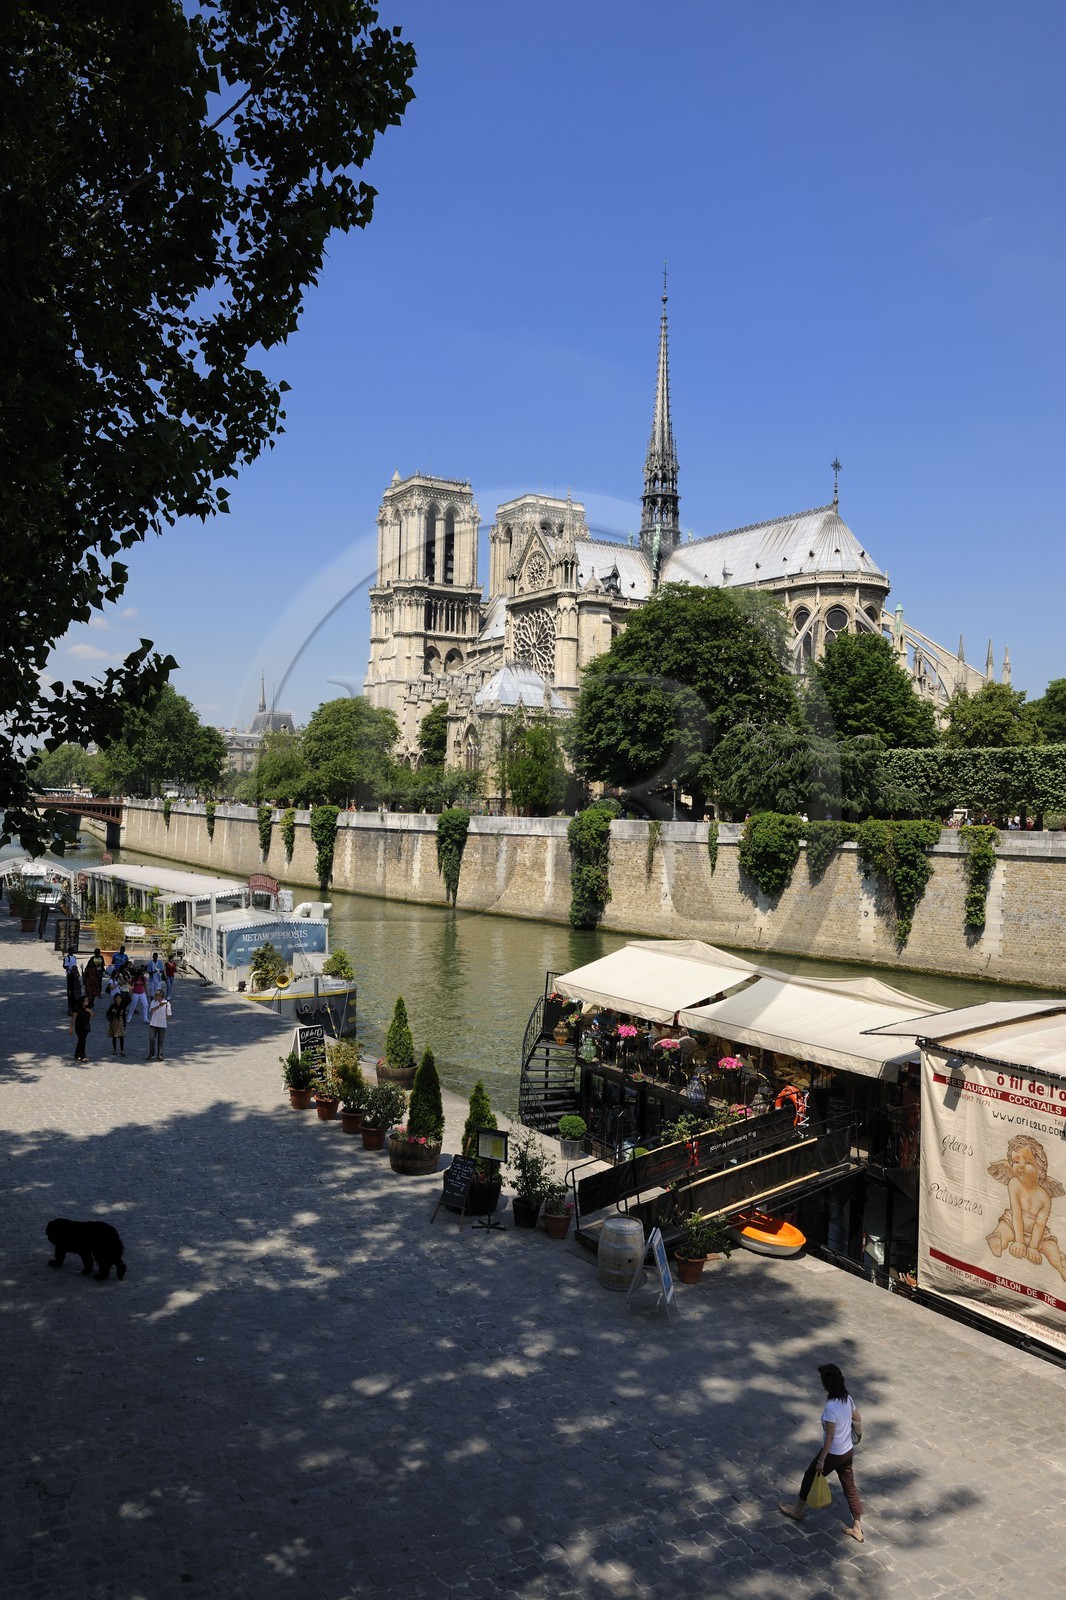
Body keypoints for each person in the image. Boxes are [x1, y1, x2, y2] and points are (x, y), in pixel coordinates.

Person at [779, 1363, 864, 1543]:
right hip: (848, 1451)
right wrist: (858, 1435)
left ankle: (797, 1509)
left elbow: (830, 1438)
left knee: (810, 1476)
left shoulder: (830, 1408)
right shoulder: (847, 1399)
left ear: (826, 1384)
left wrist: (821, 1461)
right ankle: (857, 1528)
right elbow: (857, 1418)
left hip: (834, 1453)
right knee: (850, 1488)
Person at [147, 990, 171, 1061]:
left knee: (161, 1040)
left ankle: (160, 1054)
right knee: (151, 1038)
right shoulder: (153, 1002)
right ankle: (151, 1053)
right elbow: (152, 1011)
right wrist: (159, 1006)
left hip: (162, 1024)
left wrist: (165, 1019)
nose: (155, 996)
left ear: (161, 996)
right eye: (155, 994)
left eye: (157, 995)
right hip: (153, 1023)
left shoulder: (167, 1003)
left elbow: (169, 1014)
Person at [73, 996, 93, 1062]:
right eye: (86, 1000)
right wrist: (71, 1028)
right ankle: (83, 1056)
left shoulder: (88, 1008)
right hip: (79, 1027)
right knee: (82, 1041)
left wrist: (89, 1011)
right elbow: (73, 1019)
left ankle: (77, 1055)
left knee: (81, 1041)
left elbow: (92, 1015)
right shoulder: (77, 1009)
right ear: (82, 1002)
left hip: (86, 1027)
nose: (88, 1001)